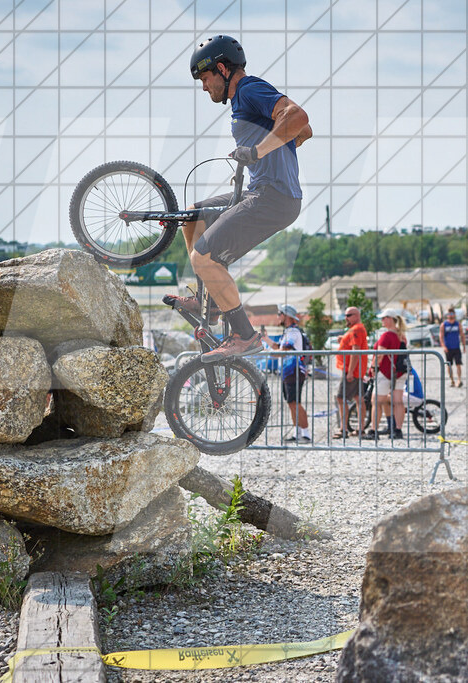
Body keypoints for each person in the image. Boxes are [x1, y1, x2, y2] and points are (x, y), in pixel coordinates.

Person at [165, 35, 312, 363]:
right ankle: (212, 298)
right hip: (264, 190)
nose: (204, 88)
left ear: (221, 69)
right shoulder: (244, 99)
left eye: (204, 79)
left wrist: (258, 151)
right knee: (193, 216)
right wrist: (272, 152)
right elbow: (304, 133)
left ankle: (245, 335)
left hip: (273, 197)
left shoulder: (248, 90)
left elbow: (299, 118)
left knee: (203, 258)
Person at [265, 304, 310, 443]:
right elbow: (278, 347)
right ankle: (298, 433)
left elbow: (283, 351)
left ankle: (306, 434)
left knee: (295, 402)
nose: (278, 316)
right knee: (292, 403)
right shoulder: (288, 332)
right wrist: (265, 338)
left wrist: (269, 354)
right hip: (288, 372)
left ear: (286, 316)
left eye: (280, 313)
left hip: (294, 371)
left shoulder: (293, 333)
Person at [366, 309, 407, 440]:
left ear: (390, 319)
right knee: (398, 401)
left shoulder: (386, 336)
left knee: (376, 401)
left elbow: (380, 355)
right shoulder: (402, 335)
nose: (382, 321)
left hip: (385, 372)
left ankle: (373, 431)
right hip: (400, 371)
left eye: (384, 318)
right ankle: (398, 430)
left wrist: (373, 367)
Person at [334, 306, 368, 439]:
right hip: (356, 371)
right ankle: (360, 428)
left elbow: (356, 351)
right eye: (345, 315)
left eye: (349, 315)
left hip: (352, 371)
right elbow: (355, 343)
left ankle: (343, 429)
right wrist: (344, 339)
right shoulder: (355, 330)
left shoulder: (357, 329)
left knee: (341, 398)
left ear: (356, 316)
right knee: (359, 399)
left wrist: (350, 372)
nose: (346, 318)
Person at [439, 308, 465, 387]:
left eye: (452, 314)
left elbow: (462, 335)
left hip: (456, 347)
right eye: (449, 314)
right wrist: (443, 346)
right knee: (449, 365)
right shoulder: (444, 324)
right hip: (448, 348)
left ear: (454, 314)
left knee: (458, 364)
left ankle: (459, 380)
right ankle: (452, 380)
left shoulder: (458, 324)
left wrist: (464, 346)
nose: (451, 316)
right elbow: (441, 336)